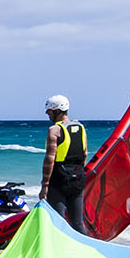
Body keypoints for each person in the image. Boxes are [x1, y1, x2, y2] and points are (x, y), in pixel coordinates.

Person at [37, 95, 88, 234]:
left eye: (49, 111)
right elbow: (84, 154)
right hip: (78, 177)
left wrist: (44, 186)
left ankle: (59, 253)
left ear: (58, 111)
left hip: (60, 179)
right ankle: (86, 250)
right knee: (78, 223)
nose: (47, 114)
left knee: (57, 222)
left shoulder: (54, 130)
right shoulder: (81, 127)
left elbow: (49, 159)